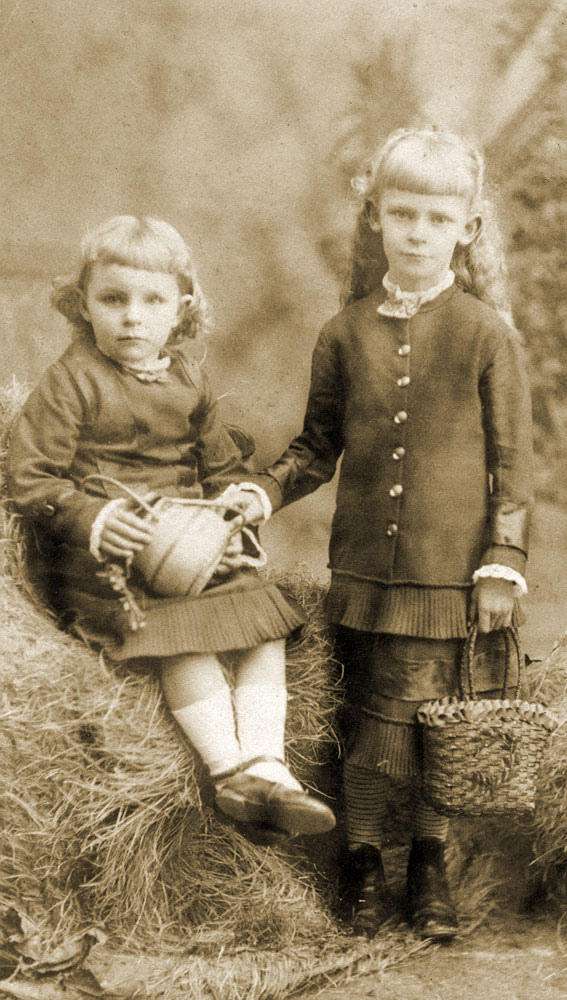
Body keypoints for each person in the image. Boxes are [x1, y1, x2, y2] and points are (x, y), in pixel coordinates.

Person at [239, 128, 534, 936]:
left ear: (466, 228)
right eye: (401, 213)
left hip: (451, 574)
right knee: (372, 730)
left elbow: (515, 464)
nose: (416, 232)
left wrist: (503, 560)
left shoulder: (486, 334)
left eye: (436, 218)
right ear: (375, 218)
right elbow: (314, 448)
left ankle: (428, 868)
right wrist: (262, 495)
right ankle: (366, 864)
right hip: (364, 570)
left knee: (436, 728)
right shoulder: (343, 334)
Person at [7, 214, 335, 844]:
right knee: (186, 640)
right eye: (113, 299)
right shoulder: (71, 381)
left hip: (194, 543)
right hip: (115, 561)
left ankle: (270, 767)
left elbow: (217, 465)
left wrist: (236, 500)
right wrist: (95, 518)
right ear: (82, 305)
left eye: (151, 300)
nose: (132, 316)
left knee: (264, 630)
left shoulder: (186, 375)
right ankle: (229, 774)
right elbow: (30, 476)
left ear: (181, 309)